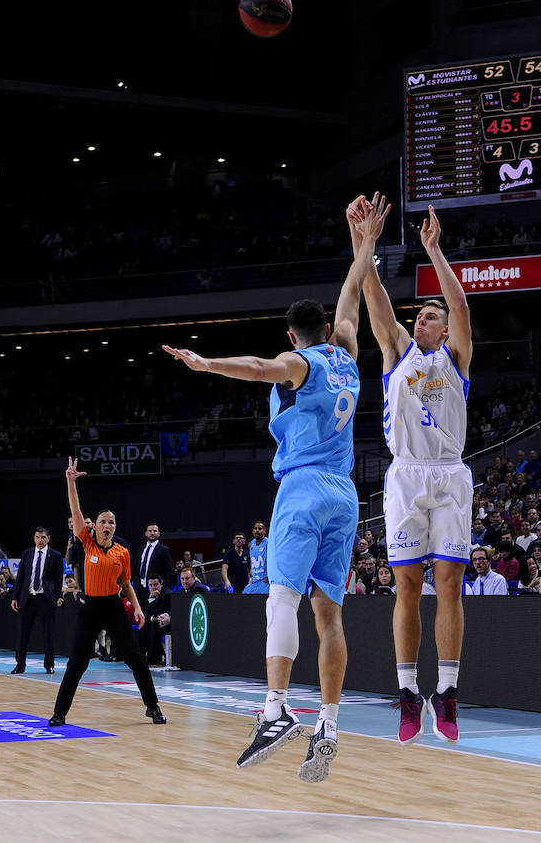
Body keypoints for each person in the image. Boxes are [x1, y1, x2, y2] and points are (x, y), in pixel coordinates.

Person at [163, 193, 389, 784]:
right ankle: (331, 724)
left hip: (305, 487)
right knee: (329, 616)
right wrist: (362, 243)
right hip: (344, 495)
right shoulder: (345, 352)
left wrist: (206, 364)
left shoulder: (304, 362)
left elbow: (262, 369)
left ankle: (275, 709)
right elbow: (351, 300)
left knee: (280, 599)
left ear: (293, 336)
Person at [347, 195, 472, 746]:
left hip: (448, 476)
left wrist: (434, 250)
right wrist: (366, 245)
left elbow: (462, 309)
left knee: (449, 583)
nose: (422, 317)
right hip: (405, 476)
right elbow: (372, 298)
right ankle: (406, 694)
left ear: (443, 330)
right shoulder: (398, 350)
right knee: (407, 584)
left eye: (431, 315)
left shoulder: (456, 357)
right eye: (419, 313)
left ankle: (445, 692)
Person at [48, 458, 166, 727]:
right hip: (90, 608)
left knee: (136, 659)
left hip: (113, 607)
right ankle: (59, 712)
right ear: (95, 525)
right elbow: (75, 509)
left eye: (111, 522)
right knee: (77, 663)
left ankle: (153, 706)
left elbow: (126, 586)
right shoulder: (86, 542)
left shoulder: (122, 552)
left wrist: (136, 607)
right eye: (103, 521)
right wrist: (70, 481)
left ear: (115, 527)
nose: (107, 525)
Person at [10, 527, 64, 674]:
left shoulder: (55, 555)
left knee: (48, 634)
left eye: (43, 537)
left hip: (45, 599)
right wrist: (15, 597)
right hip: (27, 599)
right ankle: (20, 665)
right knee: (22, 635)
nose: (40, 540)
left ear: (48, 539)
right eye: (38, 537)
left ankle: (49, 665)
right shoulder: (26, 554)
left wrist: (58, 596)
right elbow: (20, 577)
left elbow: (59, 579)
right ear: (34, 538)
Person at [132, 524, 175, 601]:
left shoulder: (164, 550)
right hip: (139, 589)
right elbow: (134, 569)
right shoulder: (140, 549)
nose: (152, 533)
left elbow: (170, 571)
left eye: (155, 531)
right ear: (146, 533)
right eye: (150, 531)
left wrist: (163, 588)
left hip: (155, 589)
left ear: (158, 533)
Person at [140, 574, 171, 665]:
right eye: (151, 585)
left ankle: (153, 657)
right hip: (157, 620)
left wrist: (152, 600)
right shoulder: (147, 594)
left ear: (161, 584)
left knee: (154, 625)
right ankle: (143, 654)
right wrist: (151, 599)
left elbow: (160, 611)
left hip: (168, 620)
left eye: (155, 584)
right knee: (144, 624)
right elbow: (145, 612)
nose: (153, 587)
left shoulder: (166, 594)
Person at [243, 521, 270, 594]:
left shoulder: (268, 543)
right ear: (253, 531)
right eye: (255, 528)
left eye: (260, 528)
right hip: (254, 581)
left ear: (264, 531)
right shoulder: (250, 544)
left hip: (265, 581)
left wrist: (270, 576)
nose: (257, 530)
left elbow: (275, 561)